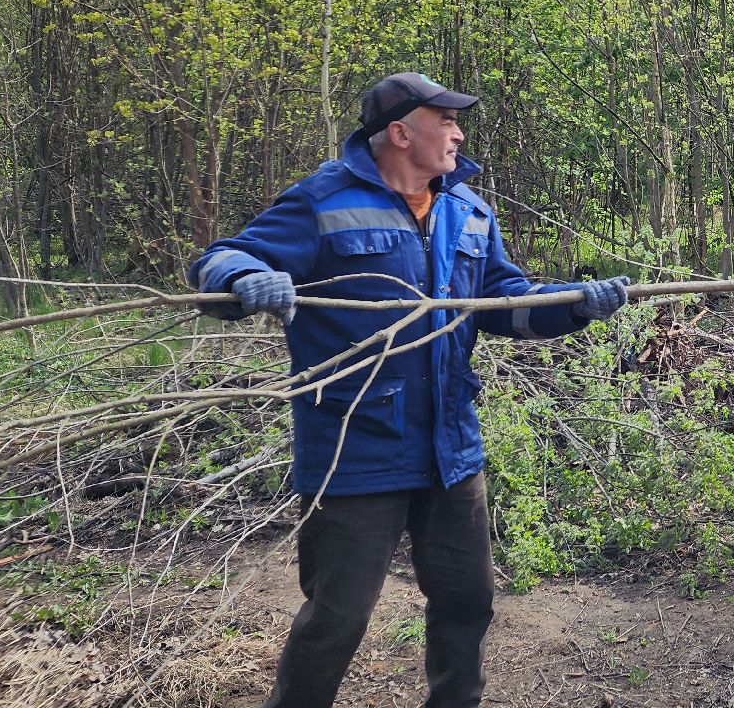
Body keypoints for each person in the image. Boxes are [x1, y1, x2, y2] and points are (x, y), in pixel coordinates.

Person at [188, 73, 633, 708]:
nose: (458, 133)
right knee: (337, 618)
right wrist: (246, 278)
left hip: (450, 447)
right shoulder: (322, 201)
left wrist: (573, 304)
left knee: (466, 602)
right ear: (400, 133)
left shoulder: (468, 210)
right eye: (445, 120)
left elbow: (502, 306)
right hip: (354, 449)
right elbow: (219, 260)